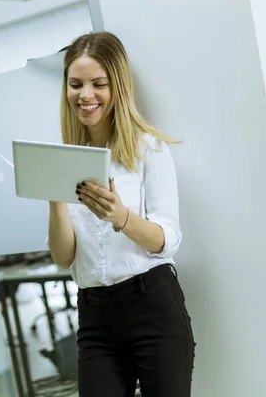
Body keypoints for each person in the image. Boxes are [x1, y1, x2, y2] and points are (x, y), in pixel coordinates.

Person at [47, 31, 195, 397]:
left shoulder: (148, 148)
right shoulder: (66, 159)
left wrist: (121, 217)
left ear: (117, 86)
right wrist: (54, 196)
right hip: (95, 316)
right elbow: (64, 256)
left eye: (99, 84)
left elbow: (167, 239)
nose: (86, 95)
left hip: (153, 307)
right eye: (76, 84)